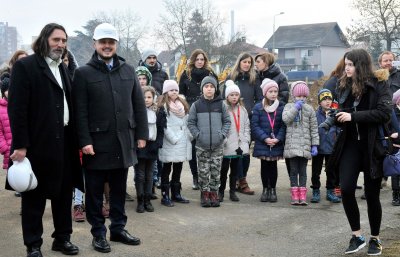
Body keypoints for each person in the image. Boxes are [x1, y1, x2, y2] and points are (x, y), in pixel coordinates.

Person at [7, 23, 83, 257]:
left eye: (64, 40)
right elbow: (17, 109)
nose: (60, 44)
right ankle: (33, 244)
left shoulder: (63, 68)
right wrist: (20, 144)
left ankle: (62, 239)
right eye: (56, 40)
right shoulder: (25, 67)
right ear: (44, 40)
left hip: (65, 143)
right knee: (34, 197)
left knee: (63, 195)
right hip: (37, 144)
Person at [72, 23, 148, 253]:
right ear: (95, 44)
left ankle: (118, 228)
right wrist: (84, 140)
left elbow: (139, 105)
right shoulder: (83, 73)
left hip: (123, 142)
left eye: (111, 42)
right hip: (95, 145)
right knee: (94, 193)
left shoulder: (128, 70)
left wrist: (142, 134)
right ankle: (98, 234)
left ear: (116, 44)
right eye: (103, 42)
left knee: (118, 189)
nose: (107, 46)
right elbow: (80, 112)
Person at [326, 49, 392, 255]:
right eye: (346, 63)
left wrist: (353, 117)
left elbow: (384, 113)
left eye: (351, 64)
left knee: (372, 195)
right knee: (345, 189)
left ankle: (375, 238)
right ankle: (357, 236)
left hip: (372, 145)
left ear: (360, 66)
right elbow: (342, 110)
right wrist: (335, 115)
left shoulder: (379, 84)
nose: (346, 68)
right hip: (350, 144)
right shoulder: (343, 85)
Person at [188, 76, 231, 207]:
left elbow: (227, 121)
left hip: (218, 146)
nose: (209, 89)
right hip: (202, 146)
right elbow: (191, 122)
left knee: (215, 171)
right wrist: (198, 135)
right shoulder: (196, 105)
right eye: (206, 86)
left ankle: (214, 193)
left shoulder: (221, 104)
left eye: (212, 87)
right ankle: (204, 194)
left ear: (215, 89)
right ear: (202, 89)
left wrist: (222, 135)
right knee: (203, 171)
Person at [179, 49, 218, 190]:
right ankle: (196, 177)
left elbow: (217, 93)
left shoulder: (211, 74)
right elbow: (181, 95)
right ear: (193, 60)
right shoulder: (186, 74)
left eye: (202, 59)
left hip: (208, 111)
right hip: (191, 112)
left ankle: (207, 177)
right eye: (197, 59)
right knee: (194, 146)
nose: (200, 62)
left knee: (207, 146)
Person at [226, 52, 263, 195]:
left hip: (248, 119)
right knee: (235, 152)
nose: (247, 64)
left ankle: (242, 180)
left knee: (245, 152)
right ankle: (236, 180)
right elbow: (226, 97)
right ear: (239, 62)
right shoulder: (231, 78)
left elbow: (260, 98)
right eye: (244, 61)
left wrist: (253, 111)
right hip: (233, 119)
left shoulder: (254, 78)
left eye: (249, 62)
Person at [282, 81, 319, 205]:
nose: (301, 98)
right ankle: (294, 195)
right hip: (292, 146)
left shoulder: (309, 109)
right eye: (299, 96)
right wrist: (295, 108)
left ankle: (302, 196)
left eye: (304, 96)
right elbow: (286, 119)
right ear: (293, 96)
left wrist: (314, 145)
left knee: (303, 171)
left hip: (305, 146)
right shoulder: (288, 107)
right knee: (293, 171)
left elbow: (314, 128)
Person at [158, 80, 192, 207]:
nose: (174, 92)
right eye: (171, 90)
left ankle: (176, 193)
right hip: (170, 141)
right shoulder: (163, 106)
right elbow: (164, 126)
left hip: (182, 140)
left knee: (178, 167)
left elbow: (187, 121)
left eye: (176, 90)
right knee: (166, 168)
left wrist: (189, 135)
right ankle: (165, 195)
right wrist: (173, 138)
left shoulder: (182, 104)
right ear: (166, 91)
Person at [252, 78, 286, 202]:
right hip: (264, 143)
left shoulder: (281, 107)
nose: (273, 94)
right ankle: (265, 189)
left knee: (273, 167)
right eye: (270, 91)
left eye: (275, 91)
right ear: (265, 93)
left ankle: (273, 189)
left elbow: (283, 125)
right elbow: (255, 125)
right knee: (264, 166)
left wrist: (278, 138)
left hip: (276, 143)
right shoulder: (258, 107)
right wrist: (265, 138)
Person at [135, 86, 166, 212]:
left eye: (149, 97)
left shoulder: (158, 111)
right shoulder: (136, 111)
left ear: (153, 98)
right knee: (140, 175)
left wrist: (157, 145)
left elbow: (160, 131)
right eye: (143, 97)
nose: (146, 100)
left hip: (152, 148)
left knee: (150, 175)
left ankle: (147, 200)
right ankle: (140, 200)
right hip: (139, 147)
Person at [219, 80, 250, 202]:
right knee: (224, 170)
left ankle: (232, 192)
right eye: (231, 95)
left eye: (236, 95)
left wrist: (246, 139)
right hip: (227, 144)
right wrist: (223, 139)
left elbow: (247, 125)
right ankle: (221, 191)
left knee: (235, 170)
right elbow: (220, 125)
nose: (234, 97)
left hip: (239, 145)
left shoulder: (242, 109)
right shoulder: (222, 108)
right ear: (227, 96)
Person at [310, 89, 341, 204]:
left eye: (329, 99)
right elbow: (313, 129)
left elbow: (338, 129)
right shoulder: (315, 115)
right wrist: (313, 145)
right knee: (315, 171)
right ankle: (316, 190)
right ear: (319, 102)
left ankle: (330, 191)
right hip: (318, 148)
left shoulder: (335, 114)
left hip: (332, 148)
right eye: (324, 99)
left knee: (331, 171)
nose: (327, 102)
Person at [378, 51, 400, 196]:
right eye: (385, 60)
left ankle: (395, 189)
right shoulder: (378, 77)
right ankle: (378, 179)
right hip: (382, 116)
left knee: (396, 150)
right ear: (380, 63)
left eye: (391, 60)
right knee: (381, 148)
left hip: (397, 116)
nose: (388, 63)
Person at [0, 73, 11, 173]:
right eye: (6, 90)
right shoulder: (0, 109)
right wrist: (5, 148)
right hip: (9, 152)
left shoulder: (20, 105)